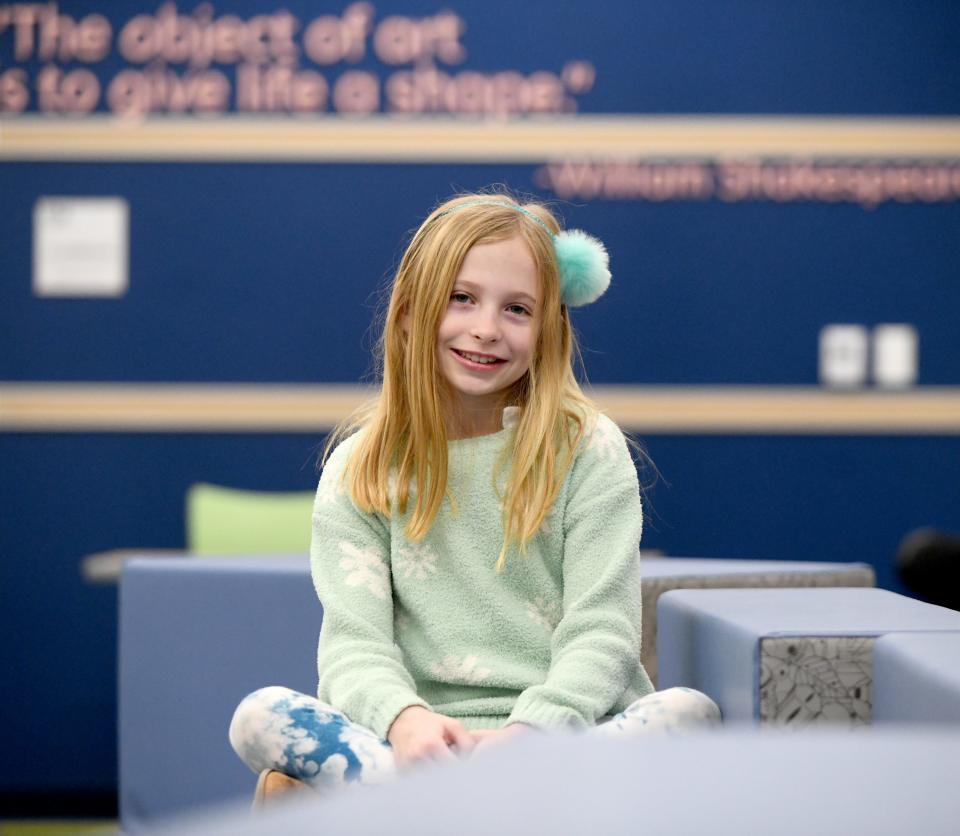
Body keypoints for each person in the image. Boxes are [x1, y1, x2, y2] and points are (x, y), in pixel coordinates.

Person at [229, 191, 720, 796]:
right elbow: (355, 644)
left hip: (557, 742)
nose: (486, 329)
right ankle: (458, 802)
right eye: (462, 299)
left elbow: (602, 631)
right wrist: (406, 724)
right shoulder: (360, 467)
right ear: (410, 313)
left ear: (546, 330)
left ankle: (455, 807)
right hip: (417, 750)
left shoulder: (588, 449)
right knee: (259, 715)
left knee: (690, 713)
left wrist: (530, 736)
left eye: (517, 309)